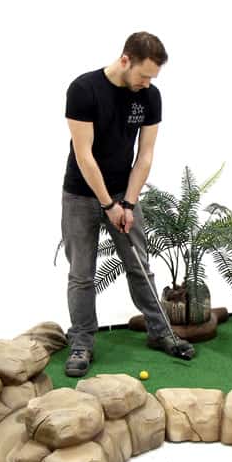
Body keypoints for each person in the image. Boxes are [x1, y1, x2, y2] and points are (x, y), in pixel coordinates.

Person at [61, 31, 196, 377]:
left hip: (125, 192)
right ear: (125, 60)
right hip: (81, 194)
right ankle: (81, 342)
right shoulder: (84, 90)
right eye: (143, 75)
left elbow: (145, 155)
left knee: (139, 265)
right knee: (82, 274)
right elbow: (84, 155)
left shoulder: (149, 96)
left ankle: (161, 332)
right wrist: (109, 205)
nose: (147, 83)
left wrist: (130, 204)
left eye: (153, 78)